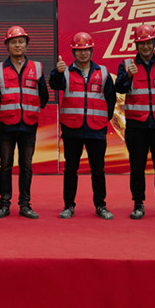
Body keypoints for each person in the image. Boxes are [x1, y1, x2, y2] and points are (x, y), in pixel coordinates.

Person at [114, 24, 155, 221]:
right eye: (142, 43)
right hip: (137, 125)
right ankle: (138, 204)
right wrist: (128, 75)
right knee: (137, 166)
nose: (146, 47)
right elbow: (119, 88)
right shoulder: (127, 64)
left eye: (149, 42)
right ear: (136, 45)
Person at [49, 31, 115, 220]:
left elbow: (110, 99)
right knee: (71, 169)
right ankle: (68, 206)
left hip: (96, 129)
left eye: (86, 49)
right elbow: (55, 85)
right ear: (73, 52)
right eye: (79, 50)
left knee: (98, 170)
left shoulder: (102, 72)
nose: (83, 53)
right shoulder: (65, 72)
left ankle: (101, 205)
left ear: (92, 50)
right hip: (72, 129)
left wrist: (103, 119)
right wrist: (57, 72)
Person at [0, 25, 49, 219]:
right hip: (6, 125)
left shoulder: (37, 68)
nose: (17, 45)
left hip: (28, 125)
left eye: (21, 41)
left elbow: (44, 96)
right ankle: (4, 204)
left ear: (26, 44)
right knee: (5, 165)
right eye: (13, 42)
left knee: (26, 166)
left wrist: (31, 108)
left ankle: (25, 205)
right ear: (7, 45)